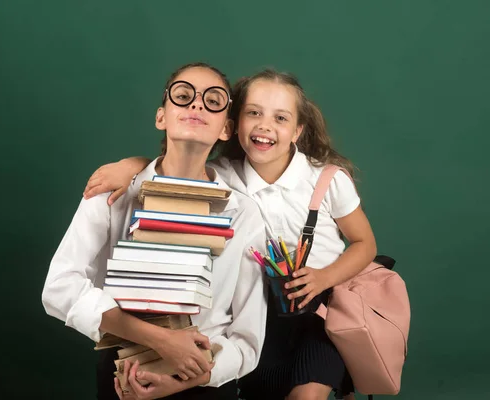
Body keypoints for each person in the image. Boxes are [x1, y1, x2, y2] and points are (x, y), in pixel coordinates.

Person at [82, 68, 377, 400]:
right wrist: (131, 164)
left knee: (306, 396)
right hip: (259, 312)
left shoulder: (326, 179)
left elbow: (365, 243)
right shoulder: (223, 177)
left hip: (320, 314)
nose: (265, 125)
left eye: (280, 118)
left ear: (297, 131)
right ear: (233, 126)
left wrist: (323, 277)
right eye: (254, 113)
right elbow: (174, 162)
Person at [42, 62, 268, 400]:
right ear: (161, 116)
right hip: (125, 373)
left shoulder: (244, 213)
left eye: (213, 100)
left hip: (202, 375)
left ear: (226, 128)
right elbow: (59, 287)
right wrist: (158, 339)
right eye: (183, 95)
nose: (196, 105)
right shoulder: (113, 192)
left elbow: (247, 337)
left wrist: (191, 375)